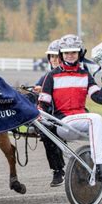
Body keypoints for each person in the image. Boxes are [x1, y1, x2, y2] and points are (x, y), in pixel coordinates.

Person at [38, 34, 102, 200]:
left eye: (74, 52)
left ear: (79, 54)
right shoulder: (52, 76)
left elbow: (99, 98)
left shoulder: (85, 75)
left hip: (83, 122)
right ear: (62, 54)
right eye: (67, 53)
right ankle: (99, 166)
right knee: (95, 118)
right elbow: (42, 105)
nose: (70, 56)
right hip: (64, 124)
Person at [35, 39, 66, 187]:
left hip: (62, 116)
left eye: (57, 56)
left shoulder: (66, 76)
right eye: (52, 57)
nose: (54, 60)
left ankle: (58, 170)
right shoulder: (46, 76)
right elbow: (36, 88)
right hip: (47, 115)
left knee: (47, 131)